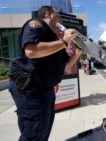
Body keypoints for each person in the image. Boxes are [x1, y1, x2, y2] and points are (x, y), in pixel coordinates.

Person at [8, 5, 82, 141]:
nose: (61, 20)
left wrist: (78, 51)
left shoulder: (55, 38)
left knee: (43, 130)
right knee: (34, 133)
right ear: (48, 14)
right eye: (58, 15)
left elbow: (68, 64)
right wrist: (65, 41)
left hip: (46, 89)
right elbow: (31, 51)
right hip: (31, 89)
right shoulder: (36, 25)